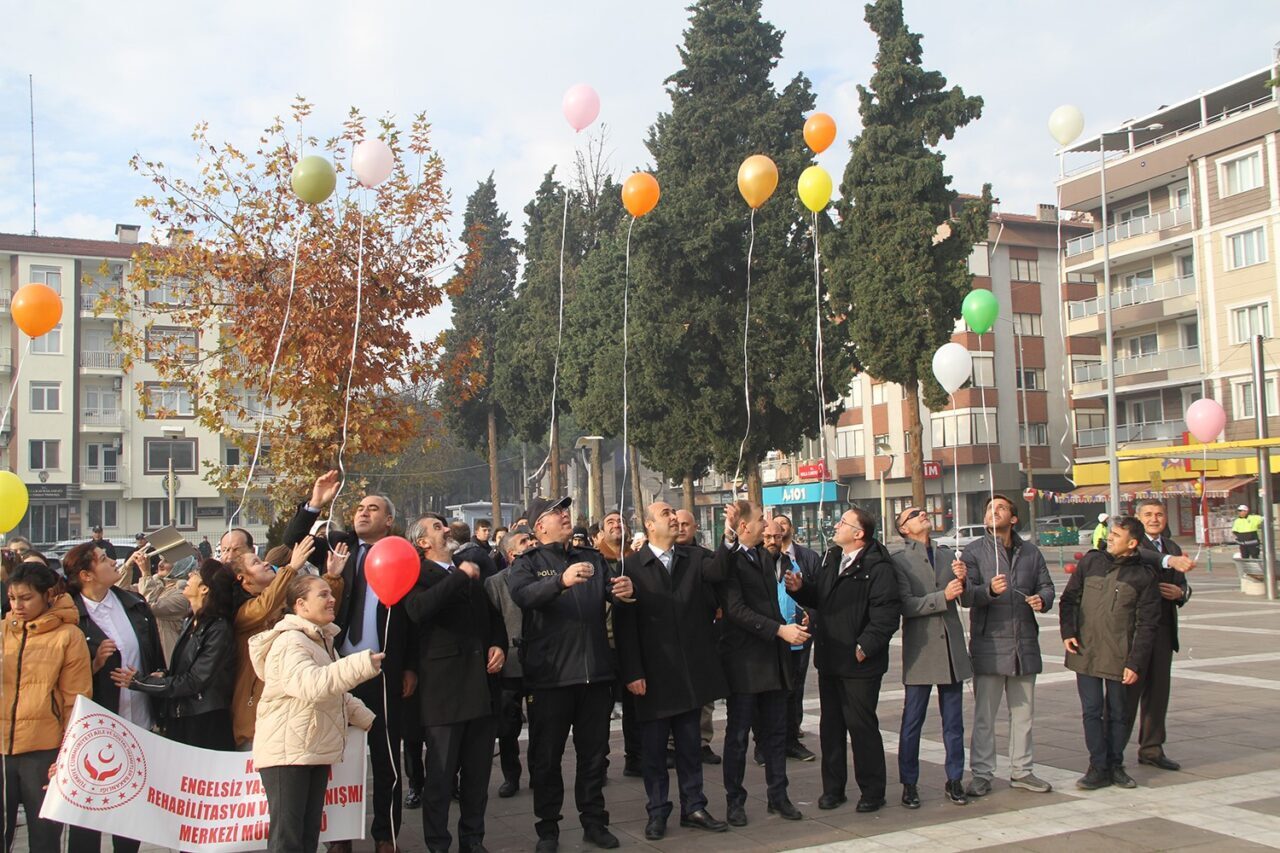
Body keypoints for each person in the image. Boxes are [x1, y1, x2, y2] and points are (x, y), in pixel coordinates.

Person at [284, 471, 417, 853]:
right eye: (359, 507)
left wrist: (410, 665)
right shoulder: (339, 547)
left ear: (388, 520)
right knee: (335, 758)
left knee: (386, 759)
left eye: (372, 508)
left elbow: (412, 617)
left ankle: (385, 835)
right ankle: (338, 838)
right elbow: (293, 539)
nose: (362, 512)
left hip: (382, 671)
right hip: (337, 671)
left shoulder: (401, 554)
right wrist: (315, 502)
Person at [507, 496, 635, 853]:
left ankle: (594, 822)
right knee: (547, 759)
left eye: (566, 510)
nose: (565, 515)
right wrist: (560, 582)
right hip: (551, 678)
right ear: (539, 526)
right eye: (556, 512)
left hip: (595, 674)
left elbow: (611, 591)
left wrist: (624, 591)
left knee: (593, 757)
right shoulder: (527, 563)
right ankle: (547, 829)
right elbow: (523, 596)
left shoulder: (591, 557)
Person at [615, 502, 729, 840]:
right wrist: (633, 672)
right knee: (653, 752)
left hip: (689, 670)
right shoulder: (632, 566)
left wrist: (730, 535)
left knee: (690, 747)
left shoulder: (693, 558)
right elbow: (624, 628)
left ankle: (694, 806)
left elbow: (720, 571)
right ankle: (657, 811)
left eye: (674, 513)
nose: (675, 517)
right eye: (666, 513)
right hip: (653, 675)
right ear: (649, 525)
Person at [251, 575, 382, 853]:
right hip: (288, 753)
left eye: (330, 594)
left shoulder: (318, 640)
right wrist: (360, 664)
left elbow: (334, 692)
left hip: (310, 749)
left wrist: (366, 718)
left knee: (307, 837)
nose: (332, 599)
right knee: (288, 840)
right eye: (323, 594)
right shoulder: (291, 642)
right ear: (301, 604)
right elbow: (310, 684)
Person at [784, 507, 900, 813]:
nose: (836, 526)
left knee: (862, 728)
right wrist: (801, 590)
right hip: (830, 659)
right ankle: (833, 789)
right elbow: (823, 598)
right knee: (831, 728)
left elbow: (886, 614)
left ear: (859, 534)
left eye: (843, 522)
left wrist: (865, 646)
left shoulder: (877, 566)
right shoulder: (832, 558)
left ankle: (872, 791)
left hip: (860, 663)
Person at [403, 513, 506, 853]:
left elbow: (492, 617)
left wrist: (498, 645)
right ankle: (438, 843)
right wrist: (460, 577)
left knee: (477, 777)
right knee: (441, 777)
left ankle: (473, 840)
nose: (446, 529)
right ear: (422, 542)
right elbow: (419, 610)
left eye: (444, 525)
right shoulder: (417, 574)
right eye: (437, 527)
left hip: (481, 688)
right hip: (443, 693)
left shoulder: (467, 571)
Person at [64, 542, 164, 853]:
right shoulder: (70, 615)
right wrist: (93, 664)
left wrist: (157, 679)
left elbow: (153, 653)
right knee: (89, 809)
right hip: (95, 726)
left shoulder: (134, 603)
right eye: (103, 559)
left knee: (131, 805)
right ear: (86, 575)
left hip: (138, 720)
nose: (113, 562)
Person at [716, 500, 806, 826]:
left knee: (777, 733)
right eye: (760, 521)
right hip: (744, 662)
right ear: (744, 526)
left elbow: (771, 604)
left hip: (773, 659)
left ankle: (778, 796)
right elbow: (736, 611)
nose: (767, 526)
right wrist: (779, 630)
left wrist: (795, 616)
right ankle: (735, 801)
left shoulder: (763, 557)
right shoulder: (731, 561)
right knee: (738, 736)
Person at [960, 496, 1056, 798]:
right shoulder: (974, 551)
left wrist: (1043, 599)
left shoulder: (1030, 552)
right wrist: (988, 590)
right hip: (989, 643)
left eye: (1000, 508)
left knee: (1023, 714)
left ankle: (1022, 771)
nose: (994, 511)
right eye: (990, 508)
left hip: (1024, 642)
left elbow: (1047, 586)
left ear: (1013, 518)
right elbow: (966, 596)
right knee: (985, 717)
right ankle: (981, 773)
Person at [1060, 516, 1161, 790]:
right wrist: (1068, 632)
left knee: (1118, 713)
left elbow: (1147, 624)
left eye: (1116, 535)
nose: (1110, 538)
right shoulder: (1091, 562)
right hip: (1085, 650)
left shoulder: (1143, 576)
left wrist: (1135, 663)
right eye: (1111, 534)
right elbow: (1069, 599)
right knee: (1091, 711)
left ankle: (1116, 765)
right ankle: (1097, 767)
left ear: (1132, 543)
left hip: (1120, 656)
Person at [2, 563, 93, 853]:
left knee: (44, 836)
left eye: (26, 598)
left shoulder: (68, 636)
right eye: (12, 598)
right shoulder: (3, 631)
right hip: (3, 749)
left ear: (48, 595)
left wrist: (67, 753)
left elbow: (76, 701)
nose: (18, 606)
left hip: (43, 750)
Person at [892, 505, 973, 808]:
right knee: (912, 720)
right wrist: (943, 597)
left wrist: (964, 581)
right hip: (921, 649)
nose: (922, 515)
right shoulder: (899, 560)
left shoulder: (947, 554)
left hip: (951, 648)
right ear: (904, 528)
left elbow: (965, 599)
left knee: (954, 722)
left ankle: (955, 778)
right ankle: (909, 783)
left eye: (922, 511)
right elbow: (906, 605)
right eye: (913, 515)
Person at [231, 536, 346, 749]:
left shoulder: (284, 608)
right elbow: (264, 606)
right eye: (256, 562)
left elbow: (316, 613)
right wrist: (291, 568)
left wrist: (332, 577)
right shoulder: (244, 613)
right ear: (243, 579)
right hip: (252, 723)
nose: (266, 563)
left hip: (288, 718)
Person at [113, 559, 239, 749]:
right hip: (182, 713)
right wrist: (165, 674)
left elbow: (195, 680)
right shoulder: (192, 620)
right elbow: (186, 668)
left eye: (196, 574)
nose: (189, 575)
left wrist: (141, 682)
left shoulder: (218, 629)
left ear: (205, 588)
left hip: (204, 721)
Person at [1130, 499, 1192, 772]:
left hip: (1164, 628)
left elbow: (1183, 585)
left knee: (1158, 693)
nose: (1154, 519)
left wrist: (1180, 594)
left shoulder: (1172, 547)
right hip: (1134, 630)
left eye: (1159, 514)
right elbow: (1140, 560)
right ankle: (1112, 752)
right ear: (1138, 518)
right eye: (1148, 514)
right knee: (1127, 693)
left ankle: (1152, 748)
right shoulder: (1131, 544)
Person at [486, 523, 534, 798]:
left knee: (542, 725)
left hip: (540, 663)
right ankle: (511, 776)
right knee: (507, 727)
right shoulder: (494, 583)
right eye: (524, 542)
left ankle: (539, 773)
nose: (531, 545)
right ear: (511, 555)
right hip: (509, 665)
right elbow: (491, 624)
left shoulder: (545, 578)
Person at [675, 509, 720, 764]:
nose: (681, 528)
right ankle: (672, 743)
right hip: (671, 638)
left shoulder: (705, 557)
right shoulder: (657, 558)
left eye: (686, 524)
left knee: (705, 694)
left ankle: (702, 741)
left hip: (702, 633)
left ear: (695, 528)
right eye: (677, 524)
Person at [773, 514, 819, 762]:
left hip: (800, 632)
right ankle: (768, 740)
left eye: (783, 525)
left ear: (790, 528)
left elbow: (817, 591)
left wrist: (810, 614)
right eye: (772, 531)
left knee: (795, 685)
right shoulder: (763, 560)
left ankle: (792, 733)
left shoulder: (807, 557)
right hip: (773, 633)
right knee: (774, 688)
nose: (778, 532)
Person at [133, 551, 193, 664]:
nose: (160, 564)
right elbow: (120, 588)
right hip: (150, 653)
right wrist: (128, 565)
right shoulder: (158, 585)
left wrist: (146, 573)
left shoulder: (182, 595)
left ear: (180, 565)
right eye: (161, 560)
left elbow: (149, 607)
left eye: (166, 561)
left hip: (167, 659)